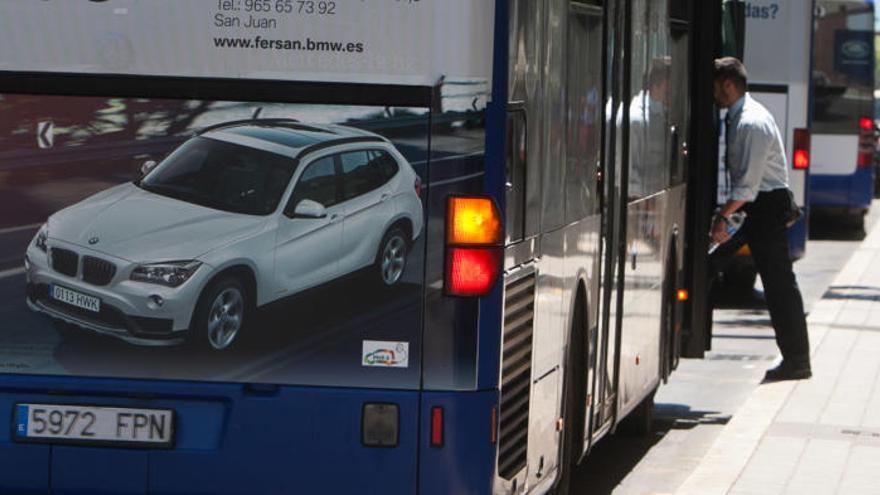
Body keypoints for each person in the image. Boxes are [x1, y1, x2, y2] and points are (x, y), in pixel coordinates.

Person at [711, 57, 812, 382]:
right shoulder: (738, 116)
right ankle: (796, 360)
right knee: (709, 264)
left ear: (728, 84)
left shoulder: (751, 122)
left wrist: (722, 217)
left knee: (779, 285)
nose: (713, 94)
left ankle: (797, 361)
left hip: (764, 206)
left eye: (715, 87)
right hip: (756, 206)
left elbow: (748, 187)